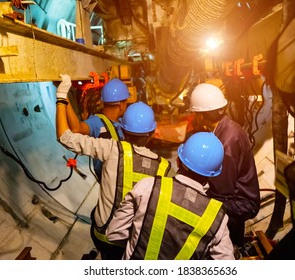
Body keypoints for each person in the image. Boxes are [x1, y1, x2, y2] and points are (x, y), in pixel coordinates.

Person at [56, 80, 173, 259]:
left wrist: (61, 99)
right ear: (150, 134)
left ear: (123, 130)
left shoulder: (110, 149)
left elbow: (66, 136)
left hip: (103, 234)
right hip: (134, 240)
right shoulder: (163, 166)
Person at [106, 132, 235, 260]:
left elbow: (114, 233)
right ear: (213, 175)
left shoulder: (147, 187)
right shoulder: (217, 218)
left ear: (178, 161)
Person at [189, 83, 260, 248]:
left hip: (239, 202)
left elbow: (222, 191)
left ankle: (231, 248)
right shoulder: (225, 129)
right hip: (234, 197)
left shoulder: (227, 142)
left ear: (200, 115)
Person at [58, 74, 130, 181]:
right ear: (121, 105)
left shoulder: (120, 123)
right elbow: (76, 129)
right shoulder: (96, 122)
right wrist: (64, 96)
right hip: (109, 181)